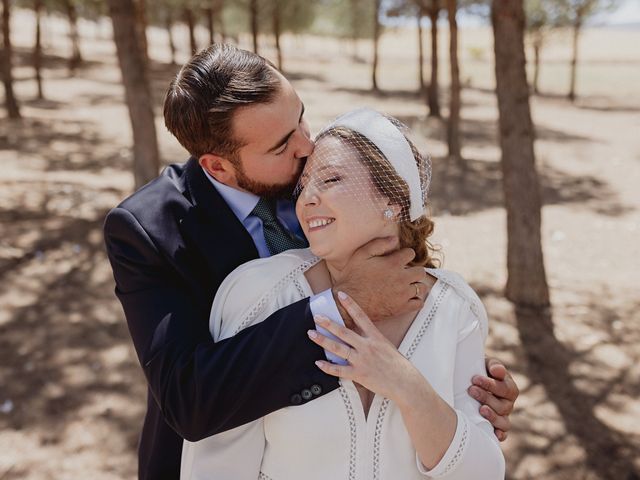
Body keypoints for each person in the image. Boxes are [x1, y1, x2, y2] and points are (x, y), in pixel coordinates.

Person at [103, 44, 518, 479]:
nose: (307, 144)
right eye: (283, 145)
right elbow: (188, 396)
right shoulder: (147, 229)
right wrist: (344, 305)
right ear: (219, 167)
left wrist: (458, 378)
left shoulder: (322, 173)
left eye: (300, 115)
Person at [180, 108, 506, 479]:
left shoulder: (454, 308)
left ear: (393, 200)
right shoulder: (261, 293)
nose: (306, 200)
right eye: (303, 187)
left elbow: (483, 472)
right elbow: (216, 463)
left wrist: (405, 383)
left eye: (331, 180)